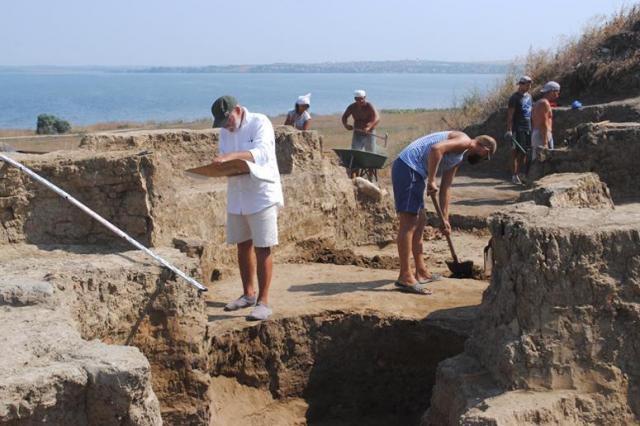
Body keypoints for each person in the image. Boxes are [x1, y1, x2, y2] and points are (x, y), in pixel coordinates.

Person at [391, 131, 497, 294]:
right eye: (486, 157)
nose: (483, 160)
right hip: (408, 167)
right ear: (485, 148)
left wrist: (445, 219)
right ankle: (405, 276)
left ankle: (421, 271)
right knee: (409, 222)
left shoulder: (459, 156)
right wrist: (432, 180)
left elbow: (446, 188)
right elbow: (436, 149)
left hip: (415, 172)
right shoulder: (465, 141)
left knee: (420, 221)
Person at [211, 95, 284, 321]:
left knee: (263, 247)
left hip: (261, 195)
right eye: (222, 123)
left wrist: (231, 157)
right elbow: (226, 158)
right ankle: (248, 294)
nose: (226, 125)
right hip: (238, 195)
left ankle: (263, 301)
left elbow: (262, 153)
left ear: (239, 110)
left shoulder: (259, 123)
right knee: (243, 245)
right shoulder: (225, 132)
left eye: (228, 119)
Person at [505, 76, 533, 185]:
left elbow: (530, 113)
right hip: (517, 128)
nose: (529, 86)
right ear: (520, 84)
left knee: (524, 152)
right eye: (526, 84)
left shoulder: (529, 97)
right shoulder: (514, 98)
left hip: (528, 127)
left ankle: (520, 173)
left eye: (530, 84)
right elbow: (510, 115)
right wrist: (509, 130)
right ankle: (514, 175)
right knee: (515, 152)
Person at [532, 81, 561, 156]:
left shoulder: (537, 103)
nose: (558, 94)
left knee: (537, 160)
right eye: (557, 91)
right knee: (545, 160)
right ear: (552, 91)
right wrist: (545, 142)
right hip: (542, 134)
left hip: (537, 133)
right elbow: (543, 122)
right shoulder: (545, 103)